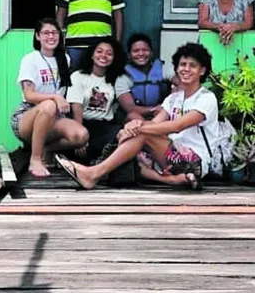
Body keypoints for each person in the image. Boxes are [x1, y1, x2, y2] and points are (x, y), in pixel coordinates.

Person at [55, 43, 219, 191]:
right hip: (170, 157)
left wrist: (136, 127)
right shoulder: (173, 99)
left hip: (194, 162)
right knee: (128, 153)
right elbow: (155, 123)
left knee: (139, 134)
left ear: (202, 70)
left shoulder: (206, 98)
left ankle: (93, 174)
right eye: (183, 64)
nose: (186, 69)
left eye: (193, 66)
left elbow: (176, 126)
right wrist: (131, 128)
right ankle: (173, 180)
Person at [11, 18, 88, 179]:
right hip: (27, 116)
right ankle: (36, 159)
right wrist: (55, 97)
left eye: (54, 32)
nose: (51, 36)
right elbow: (29, 95)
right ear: (38, 36)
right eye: (46, 33)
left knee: (81, 135)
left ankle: (46, 149)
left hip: (54, 116)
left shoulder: (64, 59)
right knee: (48, 105)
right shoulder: (30, 59)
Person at [67, 37, 134, 163]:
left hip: (106, 126)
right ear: (92, 55)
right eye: (99, 51)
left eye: (109, 53)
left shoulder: (117, 78)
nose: (104, 56)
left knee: (122, 137)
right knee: (80, 149)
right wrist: (80, 136)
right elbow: (76, 108)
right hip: (83, 124)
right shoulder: (78, 76)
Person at [123, 33, 175, 120]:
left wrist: (176, 90)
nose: (141, 54)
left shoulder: (162, 68)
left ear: (151, 53)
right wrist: (154, 109)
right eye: (136, 51)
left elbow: (182, 82)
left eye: (145, 50)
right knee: (132, 116)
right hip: (136, 119)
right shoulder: (123, 75)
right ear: (129, 55)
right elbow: (129, 108)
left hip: (162, 115)